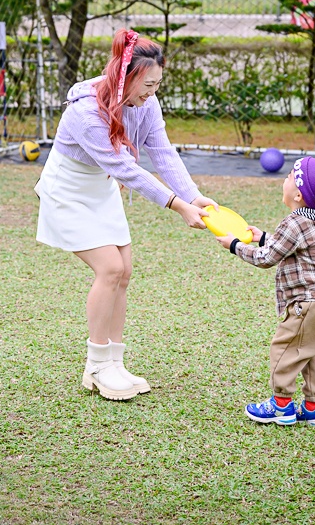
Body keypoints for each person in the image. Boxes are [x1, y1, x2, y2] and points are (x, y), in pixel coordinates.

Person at [34, 28, 216, 401]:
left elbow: (162, 152)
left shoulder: (146, 104)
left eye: (157, 84)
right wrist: (177, 205)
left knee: (125, 271)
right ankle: (96, 366)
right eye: (148, 84)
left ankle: (114, 364)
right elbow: (127, 170)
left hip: (101, 187)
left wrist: (193, 196)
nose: (153, 92)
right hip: (69, 190)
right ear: (126, 76)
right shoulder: (86, 111)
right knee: (110, 269)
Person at [216, 156, 315, 427]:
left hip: (312, 302)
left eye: (290, 178)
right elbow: (293, 246)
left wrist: (235, 245)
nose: (284, 181)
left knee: (287, 347)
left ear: (298, 194)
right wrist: (263, 236)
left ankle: (281, 405)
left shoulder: (295, 222)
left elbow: (267, 258)